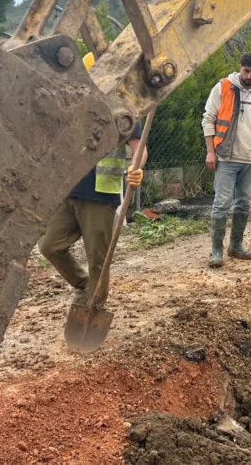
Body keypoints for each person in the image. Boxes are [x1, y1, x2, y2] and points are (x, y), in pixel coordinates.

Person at [37, 52, 146, 309]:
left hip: (100, 193)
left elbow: (139, 147)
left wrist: (136, 167)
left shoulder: (121, 109)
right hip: (70, 190)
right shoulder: (72, 106)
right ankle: (83, 284)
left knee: (98, 258)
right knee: (50, 246)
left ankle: (95, 306)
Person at [202, 51, 251, 268]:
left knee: (243, 204)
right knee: (221, 204)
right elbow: (209, 118)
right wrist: (210, 152)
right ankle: (216, 251)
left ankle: (236, 245)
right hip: (225, 156)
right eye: (246, 71)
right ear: (240, 67)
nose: (249, 76)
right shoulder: (223, 87)